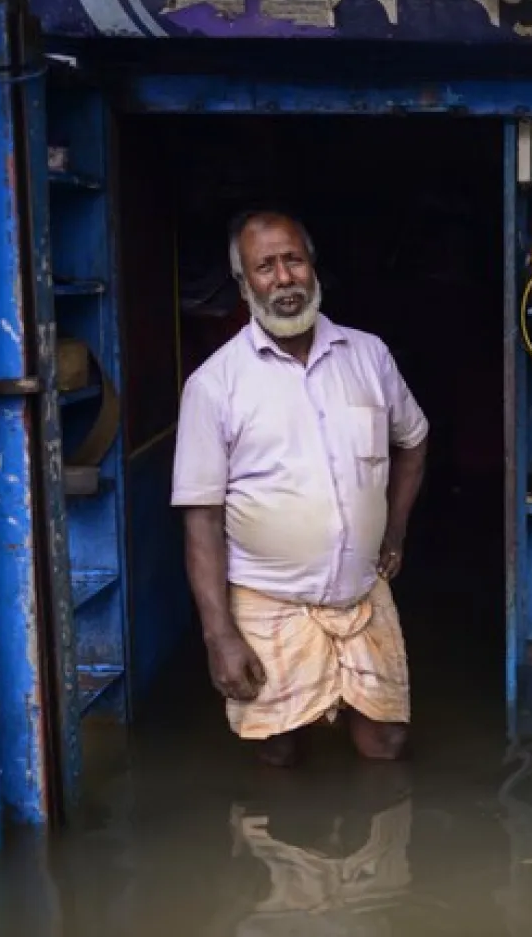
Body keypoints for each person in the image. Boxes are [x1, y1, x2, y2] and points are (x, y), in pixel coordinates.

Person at [172, 210, 429, 767]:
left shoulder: (368, 355)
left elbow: (414, 439)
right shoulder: (214, 385)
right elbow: (201, 519)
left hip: (362, 590)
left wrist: (395, 528)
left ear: (313, 268)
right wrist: (219, 635)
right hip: (267, 599)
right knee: (278, 748)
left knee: (385, 742)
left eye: (293, 260)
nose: (283, 278)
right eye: (265, 267)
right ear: (243, 285)